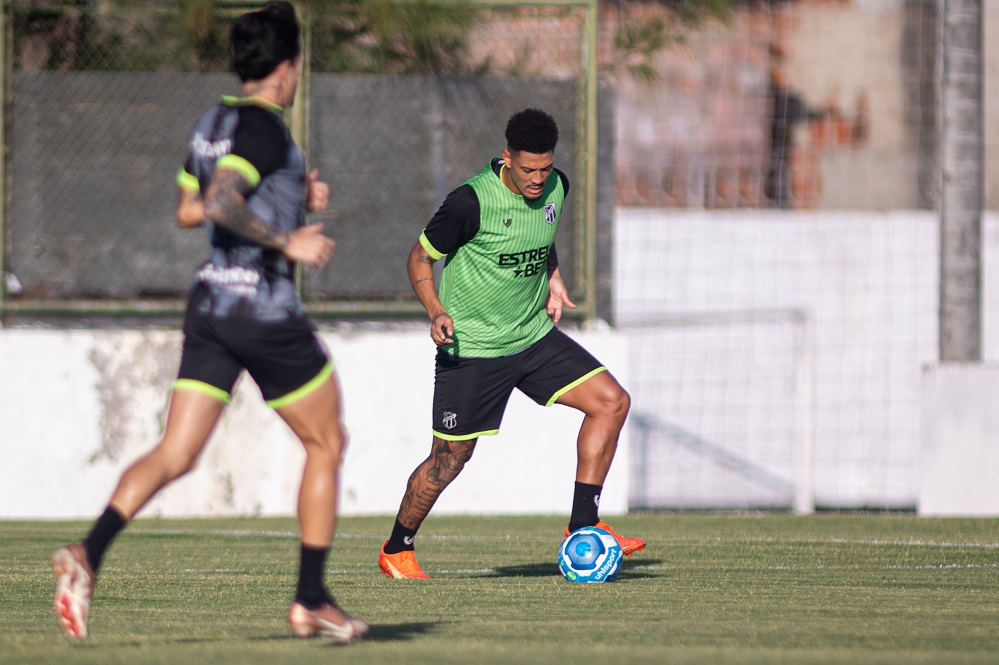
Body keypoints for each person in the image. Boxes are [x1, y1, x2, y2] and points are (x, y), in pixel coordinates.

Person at [50, 1, 368, 643]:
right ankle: (311, 599)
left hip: (212, 306)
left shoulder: (210, 123)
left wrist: (289, 194)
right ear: (289, 66)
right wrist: (288, 240)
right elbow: (220, 201)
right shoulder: (265, 128)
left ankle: (88, 552)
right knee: (326, 443)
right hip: (261, 308)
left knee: (177, 451)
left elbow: (189, 209)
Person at [377, 108, 646, 580]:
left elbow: (542, 235)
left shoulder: (557, 186)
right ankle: (397, 548)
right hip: (473, 348)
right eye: (528, 170)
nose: (538, 179)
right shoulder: (470, 202)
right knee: (451, 458)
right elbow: (419, 258)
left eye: (544, 168)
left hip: (532, 338)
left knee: (612, 402)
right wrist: (436, 309)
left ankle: (583, 525)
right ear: (507, 159)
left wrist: (554, 278)